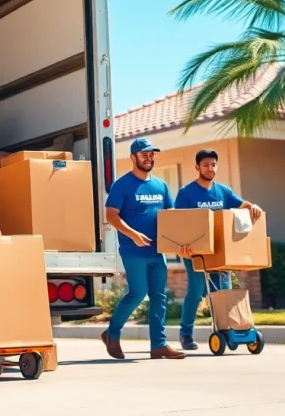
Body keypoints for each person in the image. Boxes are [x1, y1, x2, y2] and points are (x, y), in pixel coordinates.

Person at [101, 137, 186, 360]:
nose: (149, 158)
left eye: (151, 154)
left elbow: (171, 216)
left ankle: (159, 345)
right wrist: (133, 234)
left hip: (158, 251)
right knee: (137, 294)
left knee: (159, 296)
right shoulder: (123, 184)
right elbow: (111, 215)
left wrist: (180, 243)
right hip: (133, 250)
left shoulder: (161, 185)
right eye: (144, 154)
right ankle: (112, 333)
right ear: (133, 157)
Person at [175, 148, 264, 350]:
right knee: (197, 291)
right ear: (197, 167)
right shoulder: (186, 193)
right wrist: (182, 249)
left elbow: (242, 205)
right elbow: (178, 222)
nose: (210, 168)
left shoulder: (223, 191)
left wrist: (253, 206)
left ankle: (226, 331)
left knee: (223, 292)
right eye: (205, 165)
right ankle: (186, 335)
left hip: (220, 252)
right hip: (195, 252)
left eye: (213, 164)